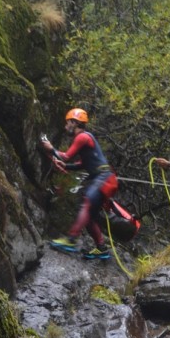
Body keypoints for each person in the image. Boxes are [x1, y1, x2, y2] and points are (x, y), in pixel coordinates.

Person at [40, 108, 118, 259]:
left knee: (87, 202)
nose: (65, 126)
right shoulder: (85, 139)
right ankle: (102, 248)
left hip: (103, 177)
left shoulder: (82, 137)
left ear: (74, 122)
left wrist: (52, 149)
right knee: (89, 218)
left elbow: (67, 156)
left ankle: (71, 240)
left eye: (68, 122)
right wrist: (66, 166)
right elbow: (82, 164)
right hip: (104, 178)